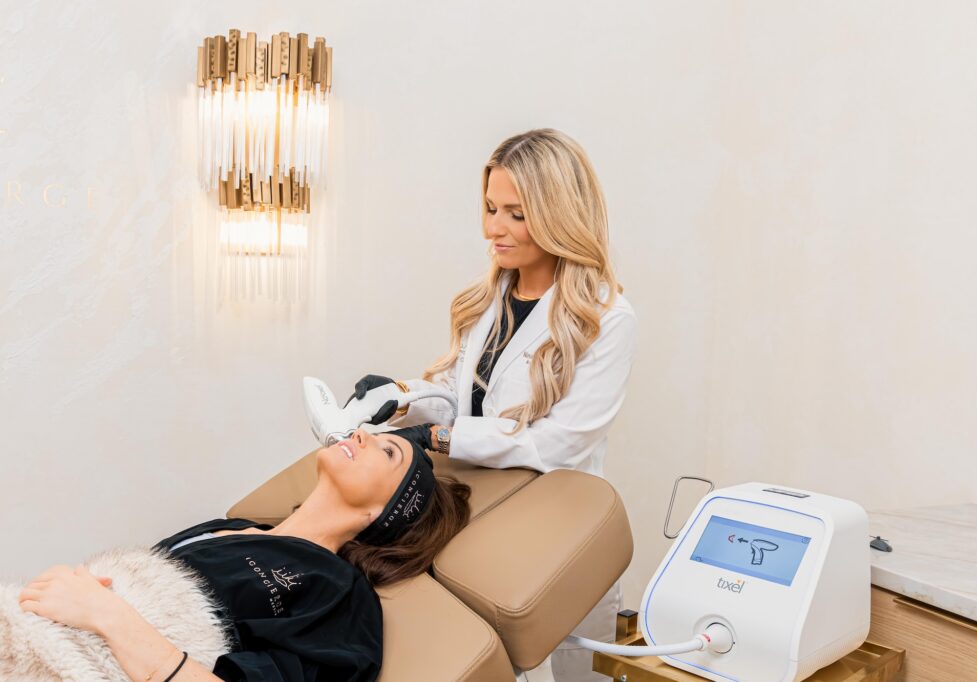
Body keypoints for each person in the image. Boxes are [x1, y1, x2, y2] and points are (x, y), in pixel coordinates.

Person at [348, 128, 638, 681]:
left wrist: (440, 439)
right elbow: (458, 401)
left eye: (516, 214)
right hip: (479, 512)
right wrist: (400, 399)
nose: (492, 228)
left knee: (567, 671)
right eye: (490, 208)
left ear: (559, 215)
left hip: (557, 526)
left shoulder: (606, 319)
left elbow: (559, 444)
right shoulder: (488, 300)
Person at [13, 428, 471, 681]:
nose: (362, 434)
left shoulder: (341, 596)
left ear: (385, 513)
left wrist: (107, 616)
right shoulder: (229, 528)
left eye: (388, 451)